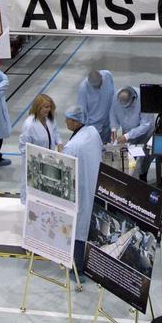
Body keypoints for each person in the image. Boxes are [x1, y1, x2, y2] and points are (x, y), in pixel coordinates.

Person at [63, 105, 104, 275]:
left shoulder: (72, 146)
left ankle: (77, 267)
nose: (65, 121)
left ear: (74, 121)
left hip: (79, 192)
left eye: (67, 118)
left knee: (78, 228)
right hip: (95, 184)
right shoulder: (93, 132)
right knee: (88, 225)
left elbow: (65, 172)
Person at [18, 94, 59, 206]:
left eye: (49, 107)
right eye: (46, 107)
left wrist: (59, 143)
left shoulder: (50, 120)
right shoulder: (29, 125)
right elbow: (23, 147)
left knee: (46, 188)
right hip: (34, 163)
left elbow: (55, 133)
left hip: (49, 160)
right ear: (38, 107)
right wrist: (32, 163)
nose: (48, 109)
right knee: (31, 187)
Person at [109, 86, 156, 180]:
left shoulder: (144, 99)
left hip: (145, 135)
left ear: (134, 98)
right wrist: (114, 130)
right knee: (129, 162)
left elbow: (146, 125)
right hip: (128, 135)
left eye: (128, 106)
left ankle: (143, 179)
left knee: (143, 161)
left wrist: (127, 135)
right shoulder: (116, 97)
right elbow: (113, 114)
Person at [76, 68, 115, 144]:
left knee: (108, 150)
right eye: (95, 87)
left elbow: (113, 95)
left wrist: (113, 122)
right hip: (95, 128)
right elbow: (82, 113)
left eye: (100, 84)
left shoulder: (107, 75)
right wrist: (87, 132)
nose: (99, 87)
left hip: (108, 124)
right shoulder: (83, 89)